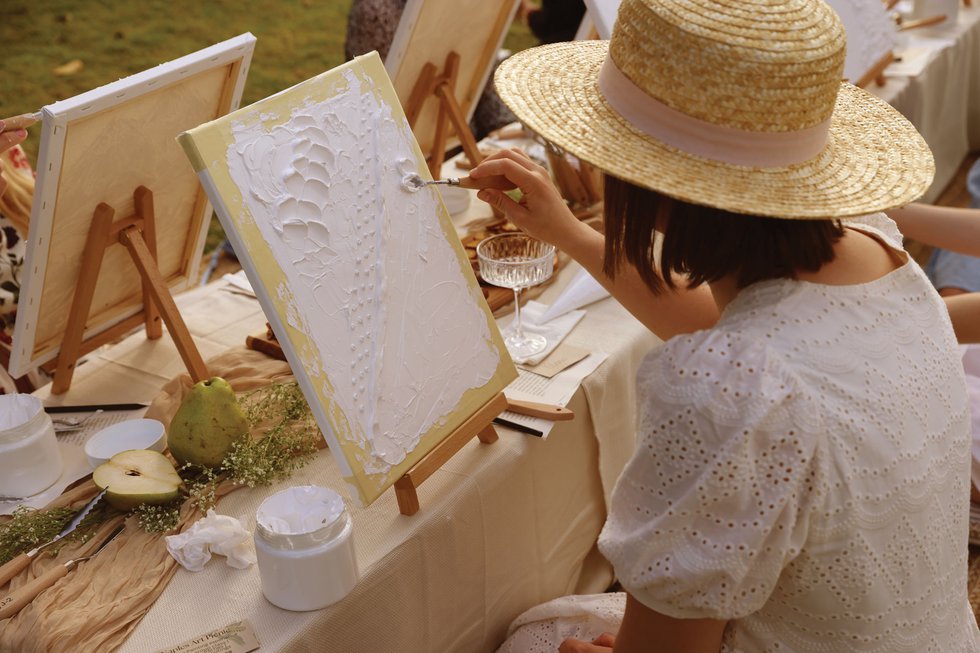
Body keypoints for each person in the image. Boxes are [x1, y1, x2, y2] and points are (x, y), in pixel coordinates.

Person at [468, 0, 979, 651]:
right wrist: (564, 230)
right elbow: (712, 320)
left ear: (649, 182)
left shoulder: (733, 393)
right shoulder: (877, 257)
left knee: (531, 638)